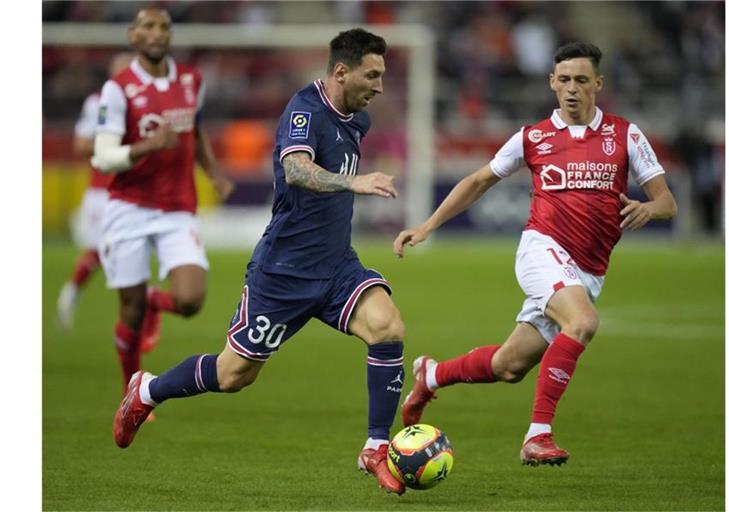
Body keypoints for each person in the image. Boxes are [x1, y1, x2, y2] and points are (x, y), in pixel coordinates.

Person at [112, 28, 408, 495]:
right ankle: (147, 390)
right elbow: (295, 169)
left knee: (388, 327)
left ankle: (375, 446)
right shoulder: (304, 110)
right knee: (234, 376)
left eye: (382, 77)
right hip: (283, 273)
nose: (379, 86)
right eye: (372, 75)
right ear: (340, 72)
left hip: (336, 268)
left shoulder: (357, 121)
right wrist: (354, 183)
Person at [394, 42, 678, 467]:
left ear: (598, 84)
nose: (572, 89)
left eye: (582, 80)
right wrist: (428, 225)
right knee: (582, 322)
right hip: (542, 249)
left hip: (587, 271)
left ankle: (431, 375)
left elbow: (667, 202)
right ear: (551, 83)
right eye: (563, 80)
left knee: (510, 365)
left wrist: (648, 207)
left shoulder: (625, 134)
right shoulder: (533, 137)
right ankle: (538, 435)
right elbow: (477, 181)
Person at [91, 8, 234, 393]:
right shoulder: (117, 89)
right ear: (133, 35)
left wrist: (214, 172)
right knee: (130, 310)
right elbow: (102, 156)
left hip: (177, 208)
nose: (157, 33)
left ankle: (159, 301)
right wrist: (149, 145)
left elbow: (196, 130)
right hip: (129, 206)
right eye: (148, 27)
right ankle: (130, 388)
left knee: (190, 300)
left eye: (164, 28)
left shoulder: (191, 79)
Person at [56, 52, 134, 329]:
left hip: (135, 192)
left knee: (129, 252)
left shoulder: (143, 102)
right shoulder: (97, 102)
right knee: (103, 250)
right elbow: (81, 145)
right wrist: (119, 147)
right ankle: (71, 292)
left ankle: (142, 314)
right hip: (103, 192)